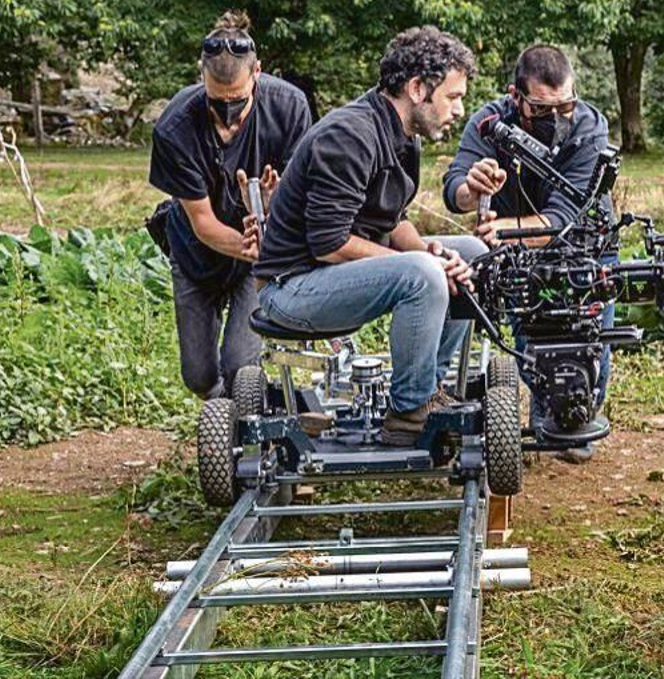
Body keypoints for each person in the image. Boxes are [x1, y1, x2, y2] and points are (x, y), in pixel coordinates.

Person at [253, 27, 488, 446]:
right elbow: (329, 244)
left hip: (335, 277)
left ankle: (429, 390)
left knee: (472, 251)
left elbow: (393, 220)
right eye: (453, 97)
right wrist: (423, 264)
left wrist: (432, 251)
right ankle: (409, 414)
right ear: (418, 89)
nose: (459, 109)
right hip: (292, 288)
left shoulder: (401, 136)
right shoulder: (349, 135)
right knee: (420, 273)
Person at [442, 43, 614, 462]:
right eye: (540, 109)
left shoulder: (590, 128)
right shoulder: (488, 122)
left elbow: (563, 217)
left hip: (585, 251)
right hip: (519, 258)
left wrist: (500, 229)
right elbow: (454, 189)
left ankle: (578, 414)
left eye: (565, 105)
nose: (555, 118)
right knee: (528, 342)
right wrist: (473, 188)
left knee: (591, 345)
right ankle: (544, 403)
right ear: (515, 96)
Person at [149, 11, 311, 400]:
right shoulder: (175, 127)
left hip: (259, 257)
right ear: (200, 76)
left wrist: (275, 207)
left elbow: (305, 194)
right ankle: (224, 415)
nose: (228, 116)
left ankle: (244, 432)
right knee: (200, 377)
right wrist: (246, 242)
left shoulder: (289, 108)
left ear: (258, 72)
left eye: (237, 100)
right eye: (216, 101)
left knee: (241, 365)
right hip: (196, 252)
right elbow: (202, 221)